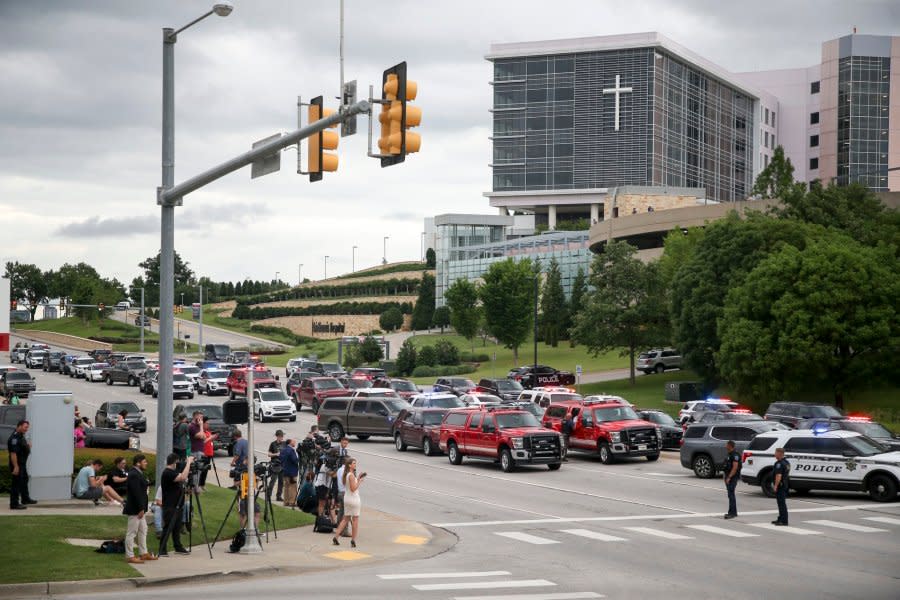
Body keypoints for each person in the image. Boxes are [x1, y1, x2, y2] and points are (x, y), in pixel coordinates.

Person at [123, 454, 157, 564]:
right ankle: (129, 556)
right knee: (131, 532)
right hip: (135, 509)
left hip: (140, 508)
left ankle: (143, 553)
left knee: (143, 530)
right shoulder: (134, 474)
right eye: (144, 461)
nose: (146, 463)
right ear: (138, 463)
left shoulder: (138, 473)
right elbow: (136, 493)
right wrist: (141, 508)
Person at [158, 454, 193, 556]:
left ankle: (178, 547)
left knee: (177, 528)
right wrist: (189, 463)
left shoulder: (173, 472)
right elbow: (183, 477)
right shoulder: (167, 473)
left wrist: (186, 490)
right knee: (168, 527)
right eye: (177, 462)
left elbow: (178, 485)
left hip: (178, 505)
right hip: (170, 505)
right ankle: (162, 549)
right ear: (174, 462)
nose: (178, 464)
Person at [332, 458, 365, 548]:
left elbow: (349, 485)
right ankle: (353, 540)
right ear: (349, 465)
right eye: (354, 463)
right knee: (355, 520)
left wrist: (357, 478)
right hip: (353, 499)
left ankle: (336, 537)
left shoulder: (346, 474)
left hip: (347, 498)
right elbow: (353, 488)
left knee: (345, 519)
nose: (355, 465)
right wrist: (359, 482)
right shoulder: (350, 475)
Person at [7, 420, 36, 509]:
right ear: (19, 426)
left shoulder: (21, 436)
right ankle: (14, 503)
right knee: (16, 483)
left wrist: (28, 446)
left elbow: (22, 448)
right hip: (17, 464)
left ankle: (25, 498)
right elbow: (13, 453)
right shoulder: (14, 438)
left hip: (22, 464)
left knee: (24, 480)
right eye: (25, 427)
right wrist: (16, 466)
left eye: (27, 427)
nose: (26, 429)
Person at [772, 447, 791, 526]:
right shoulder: (786, 462)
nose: (775, 454)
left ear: (780, 453)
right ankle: (781, 518)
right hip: (785, 484)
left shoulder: (779, 464)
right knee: (781, 503)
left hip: (780, 485)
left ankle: (784, 521)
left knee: (781, 503)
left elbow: (778, 475)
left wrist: (775, 486)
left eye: (776, 453)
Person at [279, 438, 300, 508]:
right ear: (290, 443)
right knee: (293, 487)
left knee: (286, 487)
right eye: (294, 441)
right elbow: (294, 460)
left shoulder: (283, 450)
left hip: (285, 471)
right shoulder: (291, 451)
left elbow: (280, 459)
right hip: (292, 471)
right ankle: (292, 502)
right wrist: (298, 459)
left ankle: (286, 501)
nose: (295, 443)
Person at [723, 440, 741, 519]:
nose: (725, 446)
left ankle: (733, 513)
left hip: (732, 477)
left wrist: (729, 477)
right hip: (728, 476)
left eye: (726, 445)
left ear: (730, 446)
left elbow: (735, 467)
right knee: (730, 495)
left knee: (731, 494)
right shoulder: (729, 454)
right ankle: (731, 512)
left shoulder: (735, 455)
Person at [335, 456, 353, 537]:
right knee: (346, 513)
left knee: (341, 511)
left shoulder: (339, 470)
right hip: (345, 493)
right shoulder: (346, 472)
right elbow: (347, 483)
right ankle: (344, 530)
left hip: (340, 492)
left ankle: (339, 528)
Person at [267, 430, 286, 502]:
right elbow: (269, 454)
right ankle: (268, 495)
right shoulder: (273, 444)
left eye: (282, 436)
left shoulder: (284, 444)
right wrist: (276, 454)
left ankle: (279, 496)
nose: (282, 438)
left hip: (282, 465)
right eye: (281, 436)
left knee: (281, 482)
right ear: (277, 436)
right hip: (275, 465)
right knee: (273, 481)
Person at [201, 415, 218, 490]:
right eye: (207, 423)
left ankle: (203, 484)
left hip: (209, 455)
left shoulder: (208, 432)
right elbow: (202, 442)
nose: (208, 425)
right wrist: (210, 438)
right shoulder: (201, 433)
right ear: (203, 424)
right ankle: (199, 485)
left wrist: (213, 437)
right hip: (203, 455)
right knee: (202, 471)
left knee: (206, 471)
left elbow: (210, 441)